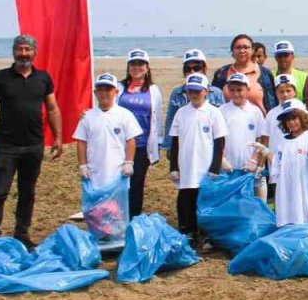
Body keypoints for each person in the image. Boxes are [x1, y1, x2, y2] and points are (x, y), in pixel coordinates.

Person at [0, 34, 63, 246]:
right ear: (13, 51)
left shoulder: (43, 78)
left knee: (27, 192)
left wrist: (58, 138)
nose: (23, 53)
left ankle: (22, 235)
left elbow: (52, 109)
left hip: (34, 145)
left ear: (35, 53)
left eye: (27, 49)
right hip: (6, 146)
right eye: (20, 49)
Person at [167, 73, 228, 245]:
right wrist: (174, 167)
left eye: (197, 91)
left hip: (206, 165)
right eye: (190, 91)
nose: (193, 94)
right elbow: (175, 141)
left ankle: (208, 234)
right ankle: (188, 230)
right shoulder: (181, 112)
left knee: (207, 200)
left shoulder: (214, 113)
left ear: (206, 91)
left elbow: (219, 141)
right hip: (186, 165)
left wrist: (215, 167)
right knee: (186, 198)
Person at [117, 49, 163, 218]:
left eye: (141, 64)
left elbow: (157, 117)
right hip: (118, 145)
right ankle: (115, 220)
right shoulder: (119, 87)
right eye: (133, 64)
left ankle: (133, 219)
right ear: (128, 67)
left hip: (142, 146)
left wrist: (157, 145)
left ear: (147, 67)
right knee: (118, 184)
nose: (137, 67)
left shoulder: (153, 90)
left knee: (136, 186)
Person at [74, 73, 141, 187]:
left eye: (108, 89)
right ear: (95, 93)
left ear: (116, 92)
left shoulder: (125, 115)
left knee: (116, 204)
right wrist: (83, 165)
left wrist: (129, 162)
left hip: (118, 171)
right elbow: (81, 142)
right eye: (100, 90)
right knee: (96, 204)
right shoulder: (87, 117)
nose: (104, 93)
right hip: (93, 171)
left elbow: (130, 140)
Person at [271, 100, 308, 227]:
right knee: (286, 212)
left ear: (302, 118)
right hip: (285, 187)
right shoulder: (282, 141)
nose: (291, 122)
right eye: (288, 120)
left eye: (294, 118)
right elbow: (277, 164)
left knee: (303, 212)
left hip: (303, 185)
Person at [163, 49, 225, 146]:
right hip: (184, 143)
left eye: (196, 68)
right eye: (187, 69)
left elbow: (222, 124)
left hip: (209, 144)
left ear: (205, 68)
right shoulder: (177, 93)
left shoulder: (216, 93)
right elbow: (171, 121)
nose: (192, 72)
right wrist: (169, 146)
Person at [220, 74, 268, 196]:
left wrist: (254, 159)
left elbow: (260, 138)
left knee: (248, 200)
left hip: (248, 167)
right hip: (228, 167)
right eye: (232, 90)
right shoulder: (221, 111)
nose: (236, 94)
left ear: (248, 90)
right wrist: (221, 159)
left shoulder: (255, 112)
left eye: (239, 90)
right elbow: (217, 139)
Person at [211, 34, 278, 113]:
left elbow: (272, 103)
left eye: (246, 47)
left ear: (252, 50)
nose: (242, 51)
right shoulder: (221, 73)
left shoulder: (265, 73)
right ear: (232, 51)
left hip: (259, 122)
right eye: (238, 47)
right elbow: (214, 100)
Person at [272, 40, 308, 121]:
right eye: (279, 55)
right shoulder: (270, 76)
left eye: (286, 55)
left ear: (292, 56)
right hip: (275, 119)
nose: (282, 58)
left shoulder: (303, 77)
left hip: (297, 121)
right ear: (275, 57)